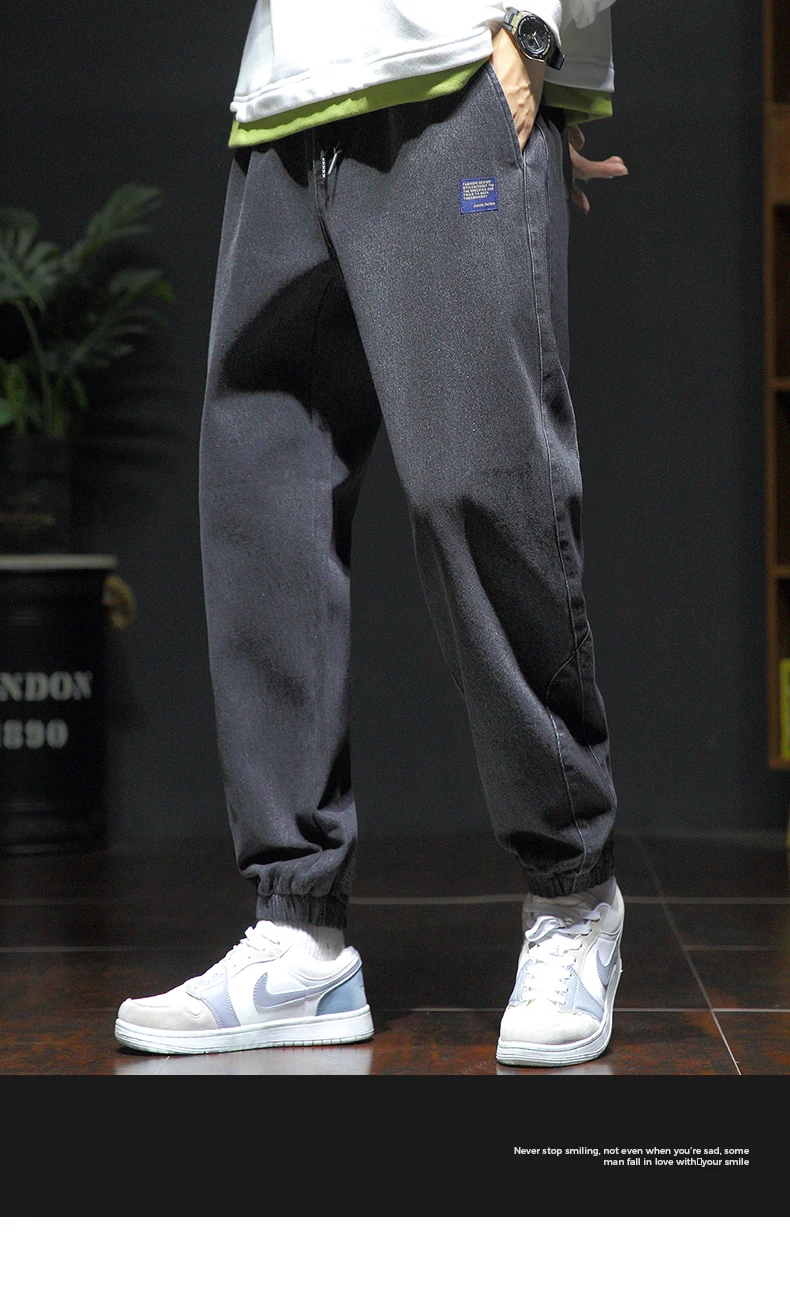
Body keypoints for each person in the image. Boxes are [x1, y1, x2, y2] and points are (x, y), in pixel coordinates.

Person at [115, 1, 629, 1067]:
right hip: (285, 98)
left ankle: (573, 896)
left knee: (482, 488)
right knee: (265, 506)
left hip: (454, 69)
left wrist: (537, 34)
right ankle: (298, 930)